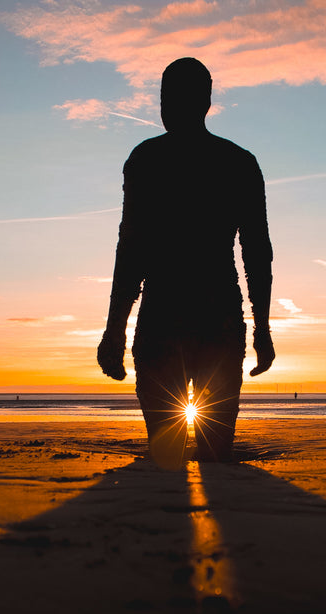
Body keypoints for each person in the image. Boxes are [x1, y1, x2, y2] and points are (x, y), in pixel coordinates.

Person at [97, 57, 274, 467]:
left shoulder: (152, 159)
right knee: (188, 454)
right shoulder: (233, 161)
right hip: (201, 320)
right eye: (163, 97)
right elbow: (256, 253)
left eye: (172, 97)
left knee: (183, 455)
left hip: (186, 319)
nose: (165, 106)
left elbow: (131, 251)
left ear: (204, 102)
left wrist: (115, 328)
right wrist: (114, 330)